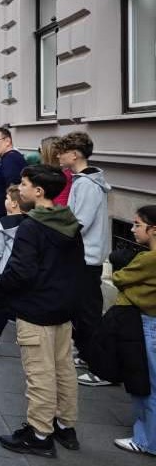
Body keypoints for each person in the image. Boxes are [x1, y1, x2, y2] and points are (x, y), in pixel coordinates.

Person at [0, 164, 83, 457]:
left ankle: (39, 433)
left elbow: (21, 271)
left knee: (40, 374)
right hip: (62, 308)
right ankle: (64, 425)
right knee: (63, 368)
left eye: (23, 183)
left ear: (39, 191)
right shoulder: (68, 221)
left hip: (36, 310)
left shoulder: (31, 226)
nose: (19, 188)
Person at [55, 131, 113, 386]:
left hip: (86, 258)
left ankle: (103, 368)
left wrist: (58, 237)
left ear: (75, 154)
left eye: (62, 151)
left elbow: (80, 222)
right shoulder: (82, 181)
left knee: (88, 314)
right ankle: (89, 355)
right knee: (81, 312)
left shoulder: (87, 184)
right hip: (83, 256)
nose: (58, 156)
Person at [110, 206, 156, 454]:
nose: (132, 228)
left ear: (153, 229)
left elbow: (119, 279)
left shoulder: (149, 258)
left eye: (137, 224)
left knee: (147, 384)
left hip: (149, 324)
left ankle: (147, 440)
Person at [0, 185, 33, 356]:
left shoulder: (0, 225)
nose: (4, 200)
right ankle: (25, 338)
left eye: (6, 198)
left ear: (13, 204)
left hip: (5, 274)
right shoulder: (32, 223)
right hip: (25, 272)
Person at [0, 126, 27, 228]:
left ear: (7, 141)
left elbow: (14, 188)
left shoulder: (11, 159)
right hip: (4, 215)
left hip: (8, 218)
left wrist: (12, 214)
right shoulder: (8, 158)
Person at [39, 136, 71, 206]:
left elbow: (59, 203)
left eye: (40, 150)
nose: (39, 154)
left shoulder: (63, 176)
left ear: (48, 153)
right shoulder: (64, 172)